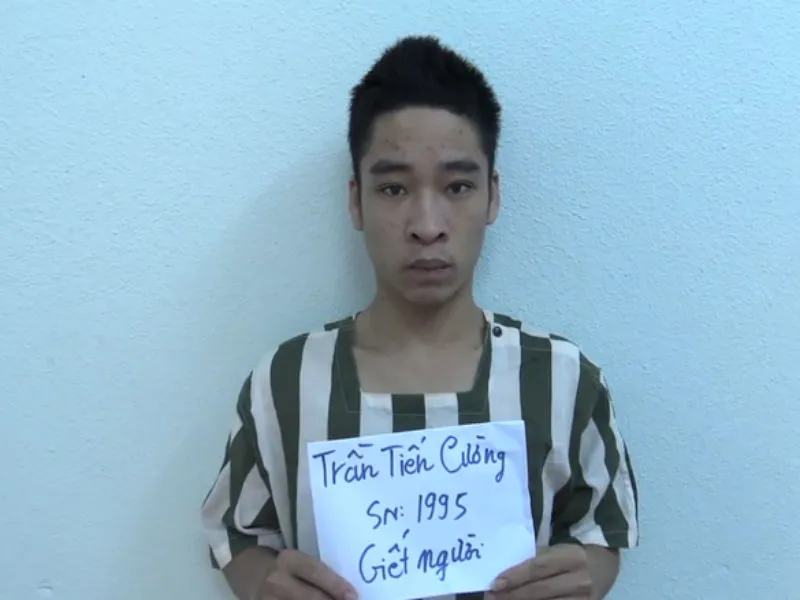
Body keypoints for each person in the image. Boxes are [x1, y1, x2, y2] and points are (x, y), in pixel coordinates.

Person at [200, 35, 639, 600]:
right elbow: (237, 534)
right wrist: (264, 583)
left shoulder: (564, 379)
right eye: (393, 188)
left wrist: (588, 574)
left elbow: (601, 531)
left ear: (492, 196)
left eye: (458, 186)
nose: (427, 225)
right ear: (356, 201)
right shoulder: (284, 383)